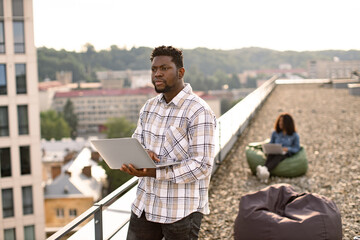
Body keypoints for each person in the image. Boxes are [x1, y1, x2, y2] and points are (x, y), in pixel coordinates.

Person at [120, 46, 217, 240]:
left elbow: (201, 166)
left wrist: (155, 172)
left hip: (180, 211)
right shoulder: (149, 107)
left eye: (164, 68)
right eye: (154, 69)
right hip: (145, 205)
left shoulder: (199, 111)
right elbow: (136, 141)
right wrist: (141, 154)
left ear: (180, 72)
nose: (157, 74)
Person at [256, 113, 300, 183]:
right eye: (279, 121)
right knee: (271, 154)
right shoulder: (275, 133)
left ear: (287, 123)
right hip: (275, 151)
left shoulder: (294, 135)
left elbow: (297, 148)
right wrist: (269, 147)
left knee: (279, 155)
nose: (280, 123)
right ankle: (264, 172)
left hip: (285, 153)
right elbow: (271, 143)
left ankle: (264, 170)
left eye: (282, 121)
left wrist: (287, 149)